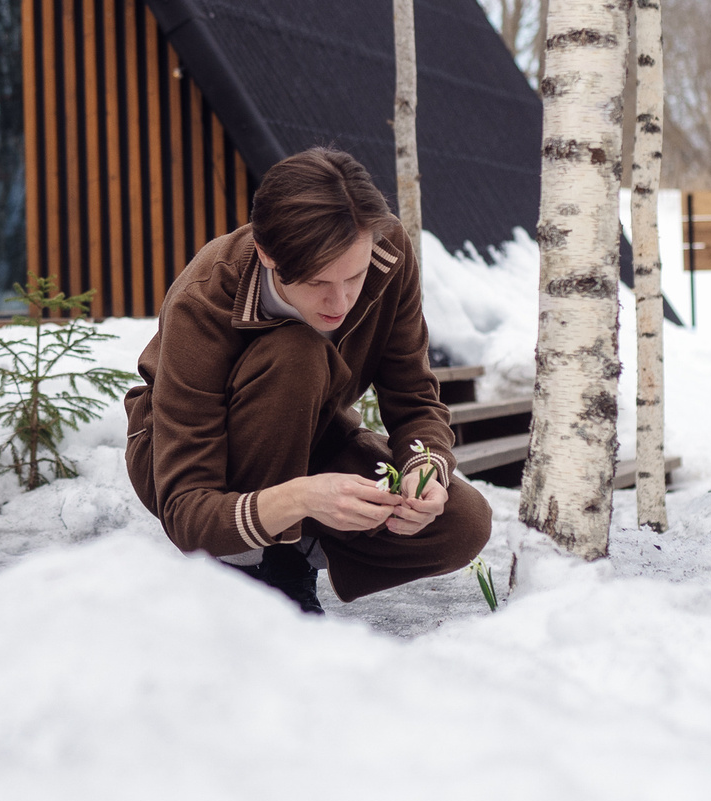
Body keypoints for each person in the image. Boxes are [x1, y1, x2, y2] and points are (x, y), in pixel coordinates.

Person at [124, 146, 491, 612]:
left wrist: (425, 471)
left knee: (463, 522)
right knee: (296, 353)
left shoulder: (387, 251)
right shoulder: (203, 301)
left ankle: (291, 550)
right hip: (188, 460)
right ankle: (248, 575)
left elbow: (414, 397)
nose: (341, 302)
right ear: (267, 253)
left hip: (316, 434)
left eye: (354, 277)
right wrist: (300, 498)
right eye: (318, 282)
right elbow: (188, 510)